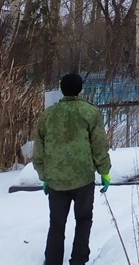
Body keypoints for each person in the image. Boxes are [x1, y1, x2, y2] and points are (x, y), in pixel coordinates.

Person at [33, 73, 111, 265]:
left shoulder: (48, 115)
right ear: (80, 89)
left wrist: (44, 176)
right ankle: (78, 260)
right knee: (83, 220)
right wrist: (105, 171)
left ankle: (52, 261)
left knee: (57, 224)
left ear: (61, 89)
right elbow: (99, 145)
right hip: (83, 178)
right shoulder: (90, 113)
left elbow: (39, 149)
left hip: (56, 181)